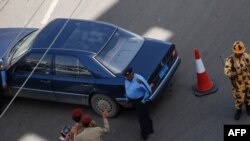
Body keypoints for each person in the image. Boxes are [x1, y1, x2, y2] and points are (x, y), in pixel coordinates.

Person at [124, 68, 153, 140]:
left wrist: (144, 100)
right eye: (125, 77)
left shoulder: (139, 80)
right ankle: (150, 128)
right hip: (133, 101)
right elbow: (127, 89)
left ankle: (144, 134)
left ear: (131, 74)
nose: (125, 78)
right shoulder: (127, 79)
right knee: (145, 116)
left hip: (140, 101)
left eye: (127, 76)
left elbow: (148, 90)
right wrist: (127, 98)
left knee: (142, 119)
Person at [224, 41, 250, 120]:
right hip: (239, 84)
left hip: (248, 81)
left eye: (242, 52)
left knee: (249, 96)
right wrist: (234, 73)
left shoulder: (246, 56)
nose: (241, 54)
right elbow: (226, 71)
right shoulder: (230, 60)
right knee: (240, 98)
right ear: (234, 52)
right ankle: (239, 110)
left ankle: (248, 107)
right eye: (239, 52)